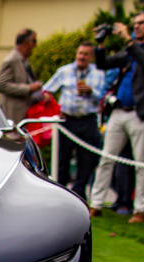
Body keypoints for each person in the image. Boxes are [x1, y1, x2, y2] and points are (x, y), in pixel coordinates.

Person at [88, 11, 144, 223]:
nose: (137, 27)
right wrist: (101, 43)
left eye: (142, 23)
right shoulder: (130, 48)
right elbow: (104, 64)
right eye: (135, 24)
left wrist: (127, 39)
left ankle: (140, 209)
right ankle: (95, 204)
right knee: (106, 159)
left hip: (141, 114)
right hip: (118, 111)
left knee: (141, 163)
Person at [42, 41, 106, 197]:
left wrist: (92, 91)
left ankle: (79, 193)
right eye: (80, 53)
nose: (82, 57)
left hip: (88, 120)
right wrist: (55, 108)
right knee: (62, 159)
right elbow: (47, 91)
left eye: (85, 54)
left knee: (87, 160)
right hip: (67, 121)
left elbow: (104, 98)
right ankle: (59, 192)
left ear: (91, 57)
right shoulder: (64, 71)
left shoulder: (99, 73)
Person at [0, 29, 41, 125]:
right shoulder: (11, 60)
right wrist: (29, 88)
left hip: (23, 116)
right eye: (34, 41)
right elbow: (1, 86)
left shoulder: (24, 61)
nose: (35, 45)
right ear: (26, 42)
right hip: (13, 117)